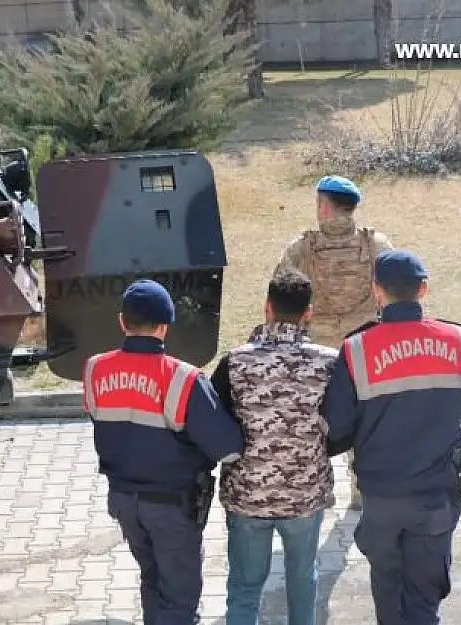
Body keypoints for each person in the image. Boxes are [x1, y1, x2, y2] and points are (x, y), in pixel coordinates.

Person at [319, 249, 461, 625]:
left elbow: (337, 425)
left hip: (381, 496)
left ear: (378, 291)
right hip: (435, 494)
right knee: (423, 602)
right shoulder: (459, 341)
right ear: (423, 289)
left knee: (388, 594)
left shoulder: (357, 348)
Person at [82, 278, 246, 625]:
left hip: (125, 502)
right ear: (165, 326)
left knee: (152, 580)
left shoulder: (95, 369)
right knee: (179, 600)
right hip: (172, 508)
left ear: (122, 322)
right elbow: (229, 449)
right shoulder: (183, 378)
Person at [209, 268, 338, 625]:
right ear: (308, 311)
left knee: (246, 589)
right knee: (302, 580)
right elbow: (343, 424)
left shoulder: (234, 362)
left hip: (247, 497)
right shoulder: (330, 362)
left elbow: (211, 424)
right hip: (305, 496)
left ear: (267, 306)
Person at [274, 174, 394, 510]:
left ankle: (310, 490)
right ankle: (361, 490)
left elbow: (281, 293)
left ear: (325, 206)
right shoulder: (376, 244)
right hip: (364, 347)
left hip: (317, 348)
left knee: (315, 417)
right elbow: (395, 291)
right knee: (364, 415)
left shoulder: (301, 246)